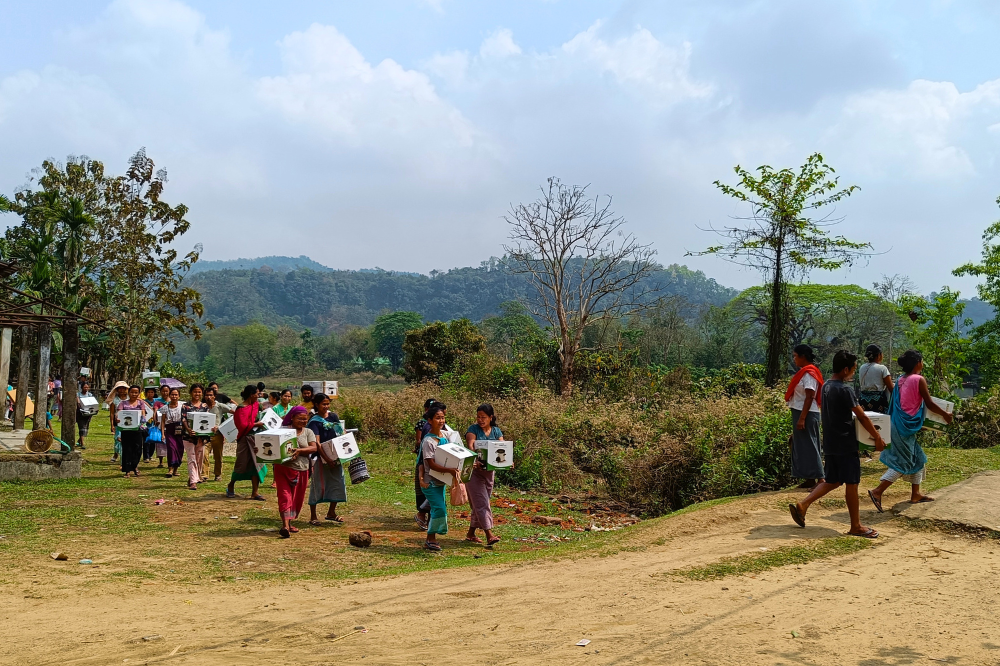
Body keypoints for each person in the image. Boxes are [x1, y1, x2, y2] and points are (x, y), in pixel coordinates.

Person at [789, 350, 884, 539]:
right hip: (845, 442)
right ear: (846, 369)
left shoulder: (826, 386)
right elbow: (861, 415)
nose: (853, 374)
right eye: (853, 370)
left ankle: (803, 505)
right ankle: (855, 525)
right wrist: (877, 437)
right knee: (852, 482)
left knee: (833, 480)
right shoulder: (844, 389)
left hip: (831, 442)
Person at [867, 350, 953, 512]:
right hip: (905, 427)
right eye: (921, 360)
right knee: (904, 463)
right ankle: (877, 491)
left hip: (897, 423)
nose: (922, 363)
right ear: (917, 363)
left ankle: (916, 494)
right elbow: (929, 403)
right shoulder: (919, 379)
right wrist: (945, 415)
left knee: (918, 458)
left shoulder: (900, 379)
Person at [420, 403, 461, 551]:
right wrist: (450, 470)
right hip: (430, 482)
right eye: (438, 418)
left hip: (441, 481)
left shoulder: (445, 436)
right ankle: (430, 538)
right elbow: (430, 464)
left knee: (436, 509)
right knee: (440, 509)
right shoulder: (428, 442)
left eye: (443, 418)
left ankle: (431, 537)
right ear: (430, 420)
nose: (441, 421)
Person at [274, 406, 317, 538]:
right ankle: (285, 525)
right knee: (285, 496)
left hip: (301, 469)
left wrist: (299, 451)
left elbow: (314, 447)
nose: (303, 421)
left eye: (305, 419)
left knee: (297, 498)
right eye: (300, 418)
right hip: (283, 468)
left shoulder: (308, 432)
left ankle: (290, 521)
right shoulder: (282, 431)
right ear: (292, 417)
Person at [785, 344, 824, 489]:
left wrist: (802, 418)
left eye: (795, 356)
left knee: (810, 445)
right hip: (800, 411)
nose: (794, 359)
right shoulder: (804, 372)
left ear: (802, 357)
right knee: (802, 445)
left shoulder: (809, 373)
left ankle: (820, 479)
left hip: (806, 413)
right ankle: (809, 479)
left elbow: (810, 396)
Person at [464, 403, 503, 546]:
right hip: (474, 471)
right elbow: (471, 445)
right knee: (482, 502)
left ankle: (470, 534)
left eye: (484, 417)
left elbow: (502, 447)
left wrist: (508, 460)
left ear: (490, 417)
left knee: (479, 503)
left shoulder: (496, 431)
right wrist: (476, 458)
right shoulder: (472, 429)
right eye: (478, 417)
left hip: (488, 473)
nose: (480, 420)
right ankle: (489, 534)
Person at [307, 393, 347, 525]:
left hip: (336, 456)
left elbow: (341, 433)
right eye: (323, 404)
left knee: (337, 482)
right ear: (317, 405)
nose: (326, 406)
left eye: (328, 404)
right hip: (320, 457)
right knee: (318, 484)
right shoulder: (314, 421)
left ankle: (331, 512)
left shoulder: (333, 416)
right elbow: (316, 442)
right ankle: (313, 515)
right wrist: (327, 459)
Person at [226, 385, 268, 501]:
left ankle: (255, 492)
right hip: (244, 439)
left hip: (255, 438)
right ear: (251, 394)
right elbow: (241, 426)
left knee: (256, 464)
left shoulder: (255, 405)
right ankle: (231, 485)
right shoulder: (241, 408)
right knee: (241, 464)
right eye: (257, 394)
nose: (258, 396)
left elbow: (261, 411)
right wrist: (256, 424)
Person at [180, 384, 212, 490]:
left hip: (201, 437)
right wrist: (188, 430)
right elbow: (183, 419)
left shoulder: (205, 406)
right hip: (188, 437)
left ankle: (192, 477)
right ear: (191, 393)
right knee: (191, 458)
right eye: (195, 391)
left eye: (199, 392)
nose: (197, 394)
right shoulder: (185, 406)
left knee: (199, 458)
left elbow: (208, 420)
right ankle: (194, 482)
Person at [202, 388, 235, 482]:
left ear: (214, 396)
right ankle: (204, 474)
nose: (208, 397)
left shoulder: (220, 406)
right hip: (205, 435)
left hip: (217, 435)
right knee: (204, 455)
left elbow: (234, 412)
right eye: (206, 395)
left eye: (210, 395)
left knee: (218, 456)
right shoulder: (202, 407)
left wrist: (223, 426)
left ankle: (218, 474)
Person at [116, 385, 147, 478]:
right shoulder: (123, 403)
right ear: (128, 393)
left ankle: (135, 466)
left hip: (137, 430)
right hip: (126, 430)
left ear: (139, 393)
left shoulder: (141, 403)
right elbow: (118, 414)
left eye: (136, 392)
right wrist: (117, 418)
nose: (134, 394)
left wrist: (143, 419)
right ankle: (127, 470)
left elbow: (143, 413)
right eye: (132, 392)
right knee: (127, 449)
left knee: (137, 449)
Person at [857, 344, 894, 413]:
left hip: (863, 401)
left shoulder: (862, 367)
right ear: (879, 355)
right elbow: (891, 388)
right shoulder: (882, 368)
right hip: (878, 402)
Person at [158, 388, 185, 478]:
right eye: (172, 394)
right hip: (169, 430)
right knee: (171, 448)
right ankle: (170, 469)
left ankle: (176, 469)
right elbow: (162, 421)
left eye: (176, 394)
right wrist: (162, 433)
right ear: (169, 396)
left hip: (180, 430)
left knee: (179, 449)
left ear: (179, 396)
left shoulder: (183, 406)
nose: (174, 396)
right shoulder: (165, 408)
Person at [107, 381, 129, 463]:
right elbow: (112, 413)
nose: (122, 390)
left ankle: (124, 457)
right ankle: (116, 453)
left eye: (124, 388)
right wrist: (112, 424)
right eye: (120, 388)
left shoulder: (130, 399)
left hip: (128, 421)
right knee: (117, 439)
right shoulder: (115, 401)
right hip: (118, 422)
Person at [141, 386, 163, 462]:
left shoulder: (156, 401)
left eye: (152, 392)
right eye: (148, 392)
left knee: (153, 440)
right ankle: (146, 457)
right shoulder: (143, 402)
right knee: (146, 440)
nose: (150, 394)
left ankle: (150, 455)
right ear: (146, 393)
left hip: (154, 423)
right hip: (146, 423)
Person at [77, 381, 95, 450]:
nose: (86, 388)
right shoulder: (78, 395)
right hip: (80, 414)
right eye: (85, 387)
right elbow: (78, 403)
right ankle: (82, 444)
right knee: (82, 427)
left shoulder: (90, 395)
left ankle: (79, 440)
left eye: (87, 387)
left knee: (86, 428)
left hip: (88, 414)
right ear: (81, 388)